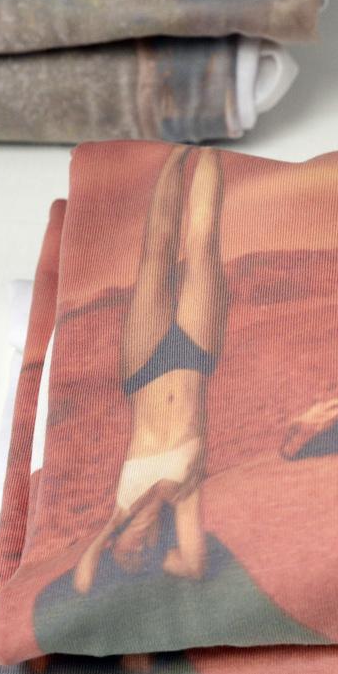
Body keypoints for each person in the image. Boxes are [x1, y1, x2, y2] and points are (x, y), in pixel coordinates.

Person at [74, 146, 227, 593]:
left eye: (126, 554)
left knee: (156, 254)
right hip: (195, 359)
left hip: (141, 370)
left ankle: (177, 153)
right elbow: (195, 565)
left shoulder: (121, 506)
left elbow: (83, 583)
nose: (138, 552)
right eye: (144, 558)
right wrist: (164, 566)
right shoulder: (182, 496)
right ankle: (215, 148)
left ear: (113, 544)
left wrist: (105, 539)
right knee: (203, 246)